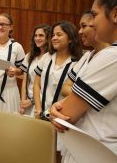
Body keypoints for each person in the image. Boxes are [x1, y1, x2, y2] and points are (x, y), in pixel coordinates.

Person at [50, 0, 117, 163]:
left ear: (116, 14)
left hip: (99, 153)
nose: (92, 23)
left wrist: (54, 110)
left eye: (95, 15)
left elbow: (66, 115)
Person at [33, 21, 82, 162]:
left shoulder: (76, 63)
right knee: (38, 151)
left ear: (71, 38)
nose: (54, 38)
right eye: (53, 35)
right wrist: (37, 109)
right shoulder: (47, 58)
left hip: (60, 118)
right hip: (40, 113)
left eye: (59, 34)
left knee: (57, 155)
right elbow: (36, 84)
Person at [61, 11, 109, 97]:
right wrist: (85, 96)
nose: (79, 31)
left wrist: (78, 95)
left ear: (98, 25)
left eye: (83, 26)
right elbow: (65, 88)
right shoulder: (87, 55)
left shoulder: (111, 57)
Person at [19, 24, 51, 117]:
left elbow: (48, 85)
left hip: (42, 103)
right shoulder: (30, 56)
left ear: (48, 38)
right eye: (35, 36)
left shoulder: (51, 58)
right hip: (27, 103)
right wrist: (22, 102)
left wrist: (32, 101)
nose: (37, 38)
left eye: (41, 35)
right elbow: (25, 81)